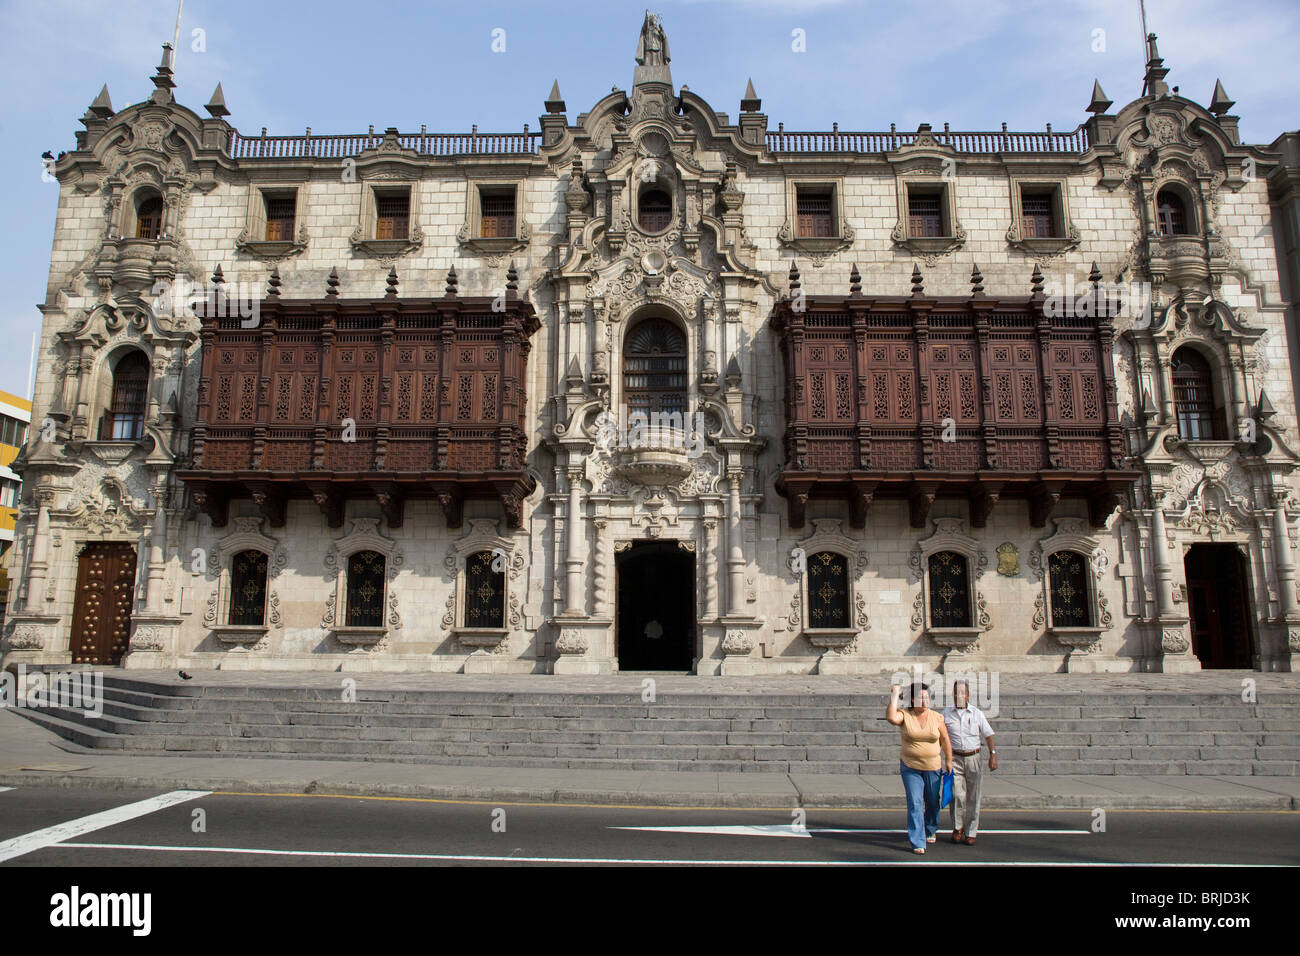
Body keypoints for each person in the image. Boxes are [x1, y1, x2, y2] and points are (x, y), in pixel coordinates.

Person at [887, 682, 952, 854]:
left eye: (926, 697)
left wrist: (949, 760)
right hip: (910, 766)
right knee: (915, 802)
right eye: (920, 697)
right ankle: (918, 841)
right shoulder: (905, 715)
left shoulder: (936, 717)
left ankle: (930, 828)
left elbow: (945, 739)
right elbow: (892, 718)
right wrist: (895, 695)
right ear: (912, 700)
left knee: (932, 801)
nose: (924, 700)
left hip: (933, 766)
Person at [941, 679, 997, 846]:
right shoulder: (946, 714)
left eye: (963, 693)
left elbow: (988, 734)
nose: (960, 695)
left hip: (973, 757)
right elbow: (940, 736)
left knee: (973, 796)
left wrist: (993, 754)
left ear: (968, 695)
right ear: (952, 694)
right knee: (956, 795)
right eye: (957, 692)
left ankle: (971, 831)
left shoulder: (977, 713)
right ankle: (957, 827)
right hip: (955, 758)